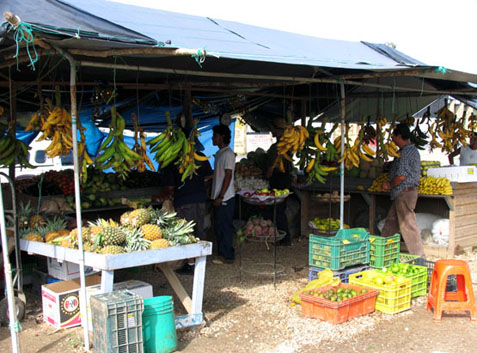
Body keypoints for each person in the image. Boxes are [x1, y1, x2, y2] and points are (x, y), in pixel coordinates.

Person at [162, 127, 213, 274]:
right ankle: (200, 262)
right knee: (200, 230)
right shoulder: (200, 156)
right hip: (200, 199)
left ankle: (191, 265)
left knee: (187, 233)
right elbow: (209, 176)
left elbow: (170, 186)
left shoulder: (173, 161)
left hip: (184, 201)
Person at [381, 123, 424, 257]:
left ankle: (420, 258)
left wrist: (389, 185)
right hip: (402, 193)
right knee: (391, 224)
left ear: (400, 136)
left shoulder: (406, 152)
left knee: (408, 225)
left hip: (404, 192)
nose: (392, 140)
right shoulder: (409, 151)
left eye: (393, 136)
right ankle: (382, 252)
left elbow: (401, 176)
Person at [264, 116, 296, 246]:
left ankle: (284, 238)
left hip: (278, 180)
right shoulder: (289, 147)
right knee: (280, 209)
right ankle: (282, 237)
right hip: (285, 179)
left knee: (277, 210)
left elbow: (271, 168)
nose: (271, 131)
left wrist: (267, 176)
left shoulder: (276, 148)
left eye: (273, 129)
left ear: (278, 131)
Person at [210, 124, 236, 264]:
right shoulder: (220, 153)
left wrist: (221, 196)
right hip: (218, 196)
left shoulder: (228, 154)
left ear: (222, 137)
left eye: (215, 136)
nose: (213, 138)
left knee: (225, 226)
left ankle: (228, 256)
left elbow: (228, 175)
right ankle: (222, 253)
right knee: (219, 225)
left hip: (225, 197)